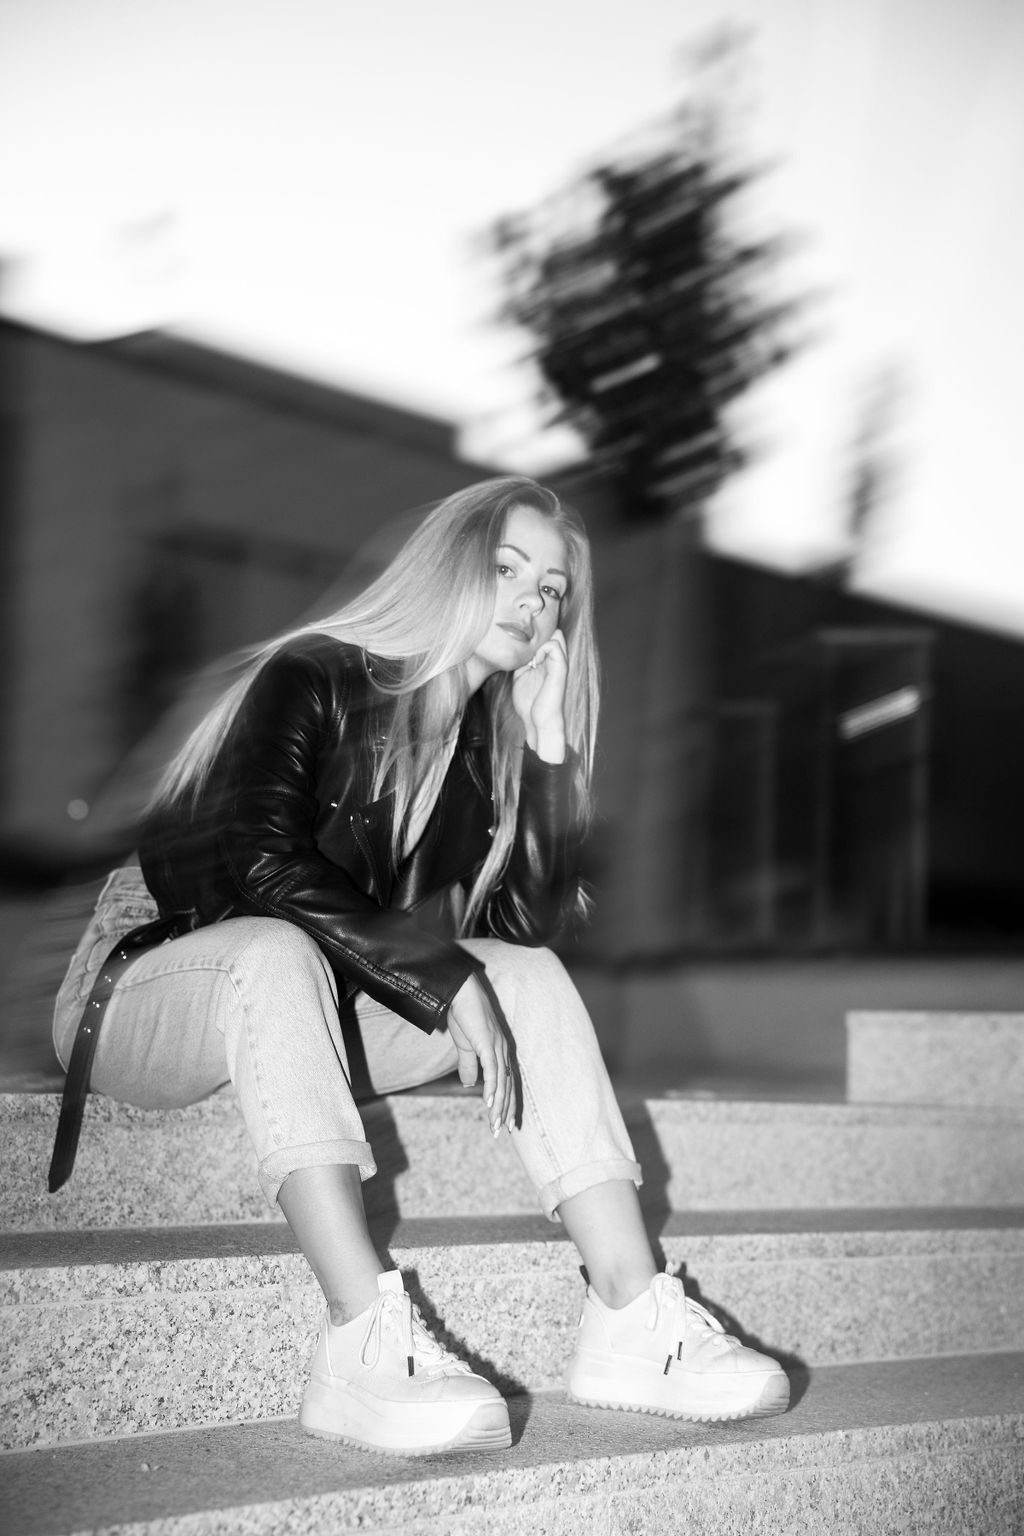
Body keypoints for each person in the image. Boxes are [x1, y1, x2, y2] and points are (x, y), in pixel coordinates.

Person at [50, 476, 789, 1456]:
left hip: (314, 1003)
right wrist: (444, 980)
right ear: (450, 569)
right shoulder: (314, 674)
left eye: (553, 589)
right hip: (153, 982)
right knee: (276, 951)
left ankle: (627, 1311)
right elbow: (262, 866)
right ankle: (359, 1340)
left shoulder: (484, 750)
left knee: (523, 979)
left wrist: (549, 755)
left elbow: (522, 934)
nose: (533, 601)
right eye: (507, 568)